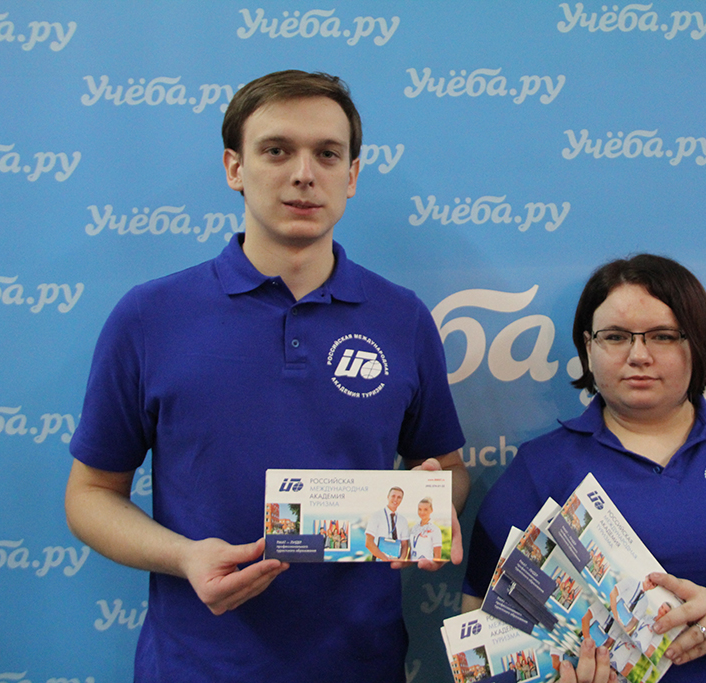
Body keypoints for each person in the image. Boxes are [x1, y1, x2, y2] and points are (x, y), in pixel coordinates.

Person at [64, 70, 469, 683]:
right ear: (235, 167)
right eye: (276, 150)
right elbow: (90, 494)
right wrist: (184, 556)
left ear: (352, 175)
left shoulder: (403, 318)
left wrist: (427, 509)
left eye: (327, 154)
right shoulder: (149, 316)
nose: (304, 173)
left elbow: (451, 470)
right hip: (196, 666)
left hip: (361, 662)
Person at [462, 254, 706, 683]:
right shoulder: (539, 467)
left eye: (663, 336)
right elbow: (481, 621)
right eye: (615, 337)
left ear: (697, 343)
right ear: (588, 347)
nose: (639, 355)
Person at [366, 486, 410, 560]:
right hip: (379, 560)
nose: (395, 499)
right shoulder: (376, 516)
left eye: (399, 497)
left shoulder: (403, 520)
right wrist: (386, 560)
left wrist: (401, 560)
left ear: (401, 500)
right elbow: (368, 542)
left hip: (396, 561)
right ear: (388, 497)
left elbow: (405, 544)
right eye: (393, 496)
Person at [409, 496, 444, 561]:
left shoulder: (435, 530)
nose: (422, 512)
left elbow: (437, 556)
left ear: (431, 510)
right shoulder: (414, 528)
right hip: (413, 564)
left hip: (426, 564)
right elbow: (411, 549)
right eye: (420, 509)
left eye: (425, 509)